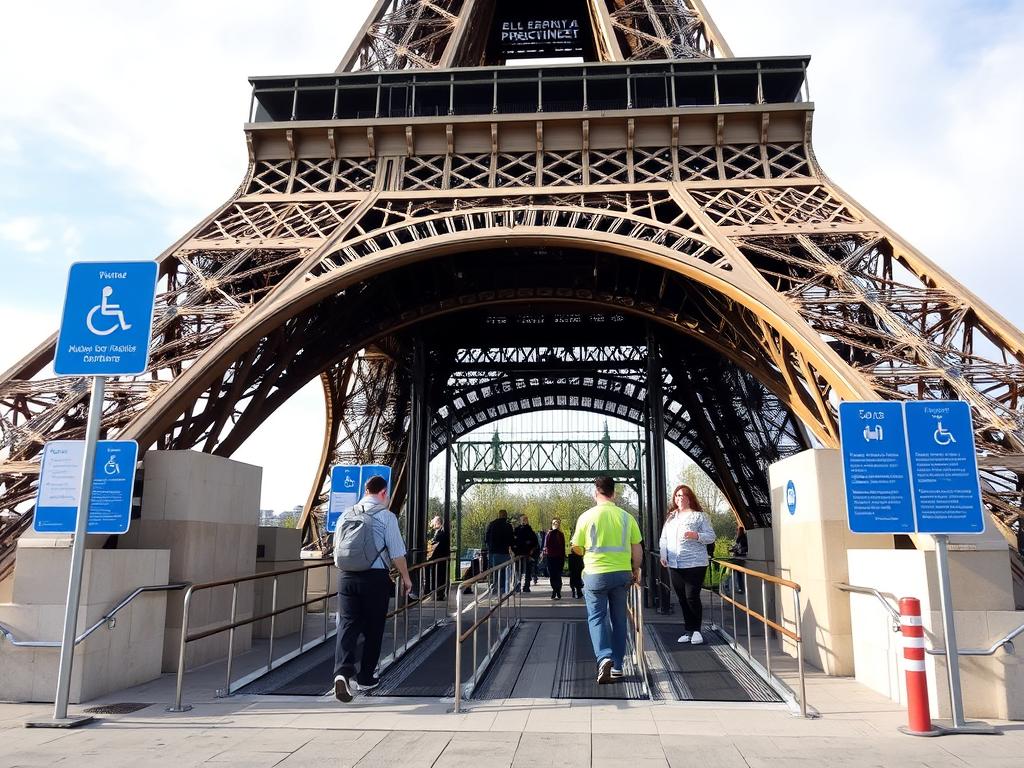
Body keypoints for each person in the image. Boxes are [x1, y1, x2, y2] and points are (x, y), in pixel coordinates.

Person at [332, 475, 412, 703]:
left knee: (347, 625)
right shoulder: (386, 517)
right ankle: (366, 677)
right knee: (374, 627)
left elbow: (337, 548)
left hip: (347, 577)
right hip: (375, 577)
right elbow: (397, 552)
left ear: (365, 491)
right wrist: (406, 578)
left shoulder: (346, 514)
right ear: (384, 493)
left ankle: (342, 672)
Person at [570, 476, 643, 684]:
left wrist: (581, 549)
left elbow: (577, 547)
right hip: (621, 574)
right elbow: (637, 548)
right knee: (619, 619)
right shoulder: (627, 517)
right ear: (614, 493)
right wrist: (635, 569)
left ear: (596, 493)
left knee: (597, 618)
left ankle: (604, 658)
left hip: (595, 575)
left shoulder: (586, 517)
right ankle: (618, 666)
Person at [659, 484, 716, 646]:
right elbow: (664, 538)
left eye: (683, 495)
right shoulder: (671, 517)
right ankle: (689, 630)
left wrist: (696, 535)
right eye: (677, 495)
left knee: (692, 596)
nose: (680, 498)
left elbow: (711, 536)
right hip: (675, 563)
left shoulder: (700, 517)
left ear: (690, 498)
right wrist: (663, 555)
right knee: (682, 598)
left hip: (695, 562)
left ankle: (697, 630)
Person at [484, 509, 515, 594]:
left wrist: (489, 547)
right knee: (505, 572)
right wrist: (512, 549)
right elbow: (511, 539)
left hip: (493, 552)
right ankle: (503, 588)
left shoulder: (492, 524)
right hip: (504, 552)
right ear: (506, 516)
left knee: (494, 571)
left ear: (498, 515)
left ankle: (494, 588)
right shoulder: (508, 526)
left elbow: (486, 538)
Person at [425, 515, 450, 599]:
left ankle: (439, 593)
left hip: (439, 559)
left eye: (434, 522)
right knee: (438, 576)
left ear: (438, 523)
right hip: (438, 559)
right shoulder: (438, 533)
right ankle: (437, 592)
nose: (432, 523)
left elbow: (436, 546)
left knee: (439, 577)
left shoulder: (441, 534)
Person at [543, 517, 566, 599]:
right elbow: (546, 545)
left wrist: (564, 557)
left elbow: (563, 547)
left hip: (559, 557)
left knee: (558, 575)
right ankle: (554, 590)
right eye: (554, 523)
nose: (555, 524)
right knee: (552, 575)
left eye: (557, 523)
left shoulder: (561, 534)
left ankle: (558, 590)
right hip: (551, 557)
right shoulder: (549, 534)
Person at [513, 514, 537, 592]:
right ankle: (517, 586)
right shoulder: (516, 530)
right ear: (520, 521)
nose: (523, 521)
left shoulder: (530, 530)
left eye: (525, 520)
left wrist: (532, 550)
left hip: (527, 553)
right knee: (517, 571)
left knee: (527, 571)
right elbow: (512, 541)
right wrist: (513, 550)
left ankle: (526, 586)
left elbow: (535, 542)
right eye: (522, 520)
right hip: (518, 553)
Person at [729, 525, 748, 595]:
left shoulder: (739, 538)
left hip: (738, 557)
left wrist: (733, 549)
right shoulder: (745, 537)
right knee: (738, 573)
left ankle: (739, 587)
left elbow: (736, 547)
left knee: (737, 573)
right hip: (743, 557)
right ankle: (739, 587)